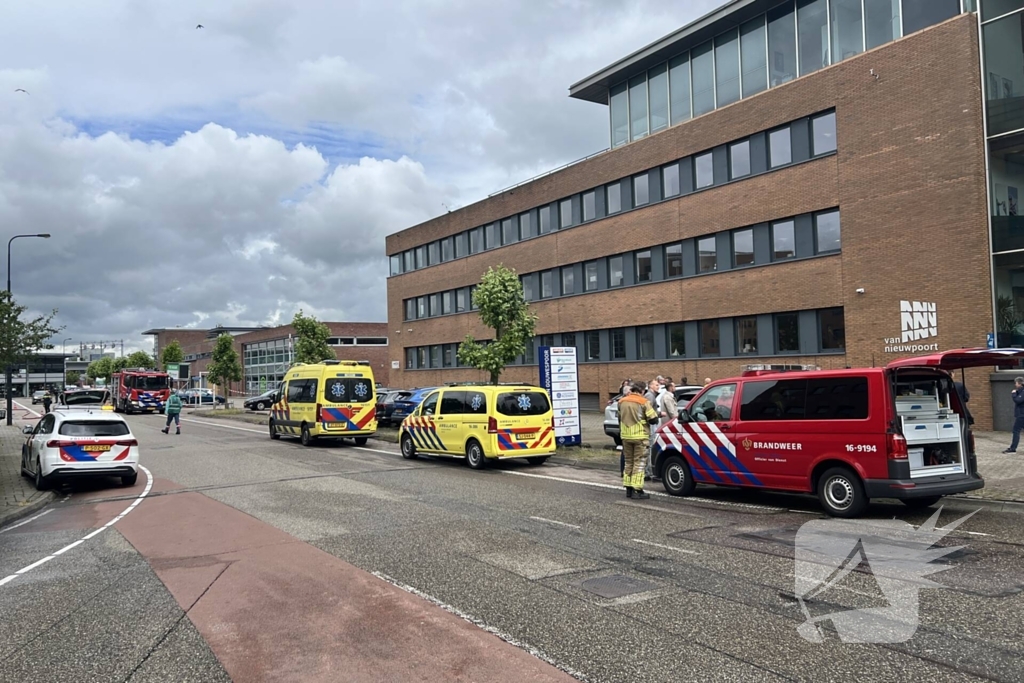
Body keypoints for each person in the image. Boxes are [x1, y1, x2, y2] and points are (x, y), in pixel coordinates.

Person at [618, 382, 658, 499]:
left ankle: (628, 489)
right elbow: (653, 419)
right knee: (639, 463)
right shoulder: (643, 402)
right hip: (640, 437)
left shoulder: (621, 401)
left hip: (625, 436)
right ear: (642, 391)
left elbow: (620, 417)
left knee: (628, 462)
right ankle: (637, 490)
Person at [1005, 377, 1024, 453]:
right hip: (1021, 414)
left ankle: (1013, 448)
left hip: (1021, 415)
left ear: (1019, 383)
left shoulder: (1023, 392)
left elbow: (1018, 400)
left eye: (1016, 383)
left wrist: (1013, 394)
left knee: (1016, 430)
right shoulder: (1020, 391)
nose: (1015, 385)